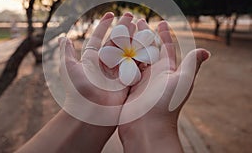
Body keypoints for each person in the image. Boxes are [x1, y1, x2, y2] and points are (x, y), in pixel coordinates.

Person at [16, 12, 210, 153]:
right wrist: (151, 128)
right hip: (127, 56)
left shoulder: (135, 58)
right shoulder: (120, 56)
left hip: (128, 56)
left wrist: (86, 112)